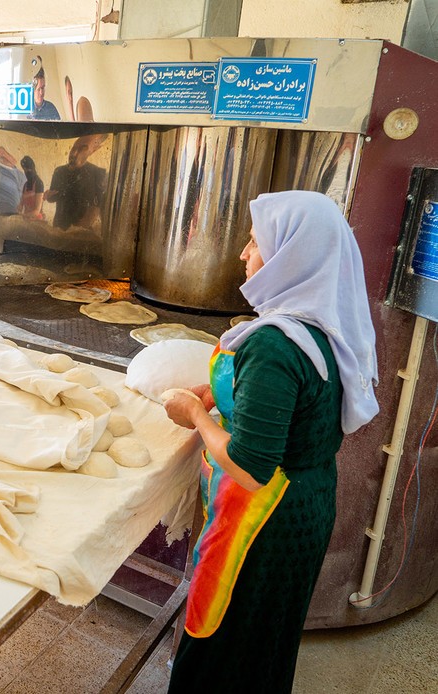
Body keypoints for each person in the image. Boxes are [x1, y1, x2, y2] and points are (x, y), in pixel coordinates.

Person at [163, 191, 379, 693]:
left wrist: (194, 413)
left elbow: (250, 466)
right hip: (308, 502)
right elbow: (298, 410)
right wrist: (222, 398)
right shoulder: (321, 326)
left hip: (263, 522)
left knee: (224, 645)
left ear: (290, 256)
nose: (243, 253)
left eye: (255, 241)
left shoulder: (274, 344)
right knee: (263, 643)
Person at [44, 134, 107, 229]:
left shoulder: (98, 173)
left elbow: (100, 204)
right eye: (74, 148)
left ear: (94, 150)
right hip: (58, 227)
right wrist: (48, 196)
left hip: (82, 232)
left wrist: (87, 221)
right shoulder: (59, 171)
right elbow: (53, 197)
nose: (73, 153)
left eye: (83, 148)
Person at [0, 146, 25, 216]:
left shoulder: (20, 174)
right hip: (5, 212)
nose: (10, 158)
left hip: (18, 214)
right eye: (2, 154)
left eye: (6, 153)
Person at [19, 155, 45, 220]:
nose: (26, 172)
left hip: (37, 221)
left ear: (33, 168)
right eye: (24, 169)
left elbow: (37, 211)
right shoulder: (25, 185)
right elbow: (21, 205)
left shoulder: (39, 183)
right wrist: (18, 210)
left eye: (28, 169)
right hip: (26, 220)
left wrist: (24, 216)